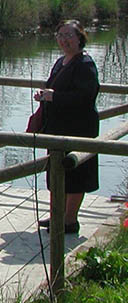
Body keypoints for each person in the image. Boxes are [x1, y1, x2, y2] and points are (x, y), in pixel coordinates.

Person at [35, 20, 100, 235]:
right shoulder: (60, 62)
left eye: (68, 36)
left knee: (76, 174)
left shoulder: (85, 64)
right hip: (57, 128)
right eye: (60, 35)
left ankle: (70, 220)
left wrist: (56, 96)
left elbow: (85, 96)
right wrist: (43, 94)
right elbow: (52, 87)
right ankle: (57, 215)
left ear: (80, 38)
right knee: (56, 172)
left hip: (79, 128)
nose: (64, 40)